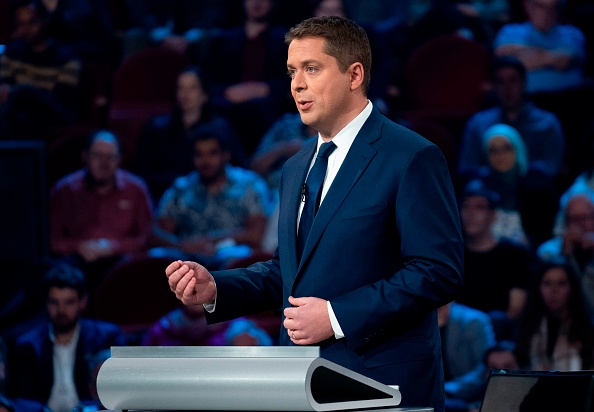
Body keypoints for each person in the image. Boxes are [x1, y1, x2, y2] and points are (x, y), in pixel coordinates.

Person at [166, 16, 464, 412]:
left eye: (311, 69)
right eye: (291, 71)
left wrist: (337, 316)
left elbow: (436, 271)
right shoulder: (295, 167)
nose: (297, 84)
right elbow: (289, 270)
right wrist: (217, 288)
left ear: (354, 74)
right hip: (302, 383)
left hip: (384, 383)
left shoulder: (410, 156)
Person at [5, 263, 127, 412]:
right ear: (46, 302)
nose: (61, 310)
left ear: (82, 302)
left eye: (69, 302)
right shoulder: (27, 345)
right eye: (54, 302)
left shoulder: (106, 337)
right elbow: (23, 399)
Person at [150, 126, 272, 270]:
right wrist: (184, 245)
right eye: (199, 155)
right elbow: (157, 233)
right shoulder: (181, 188)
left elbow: (255, 236)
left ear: (225, 155)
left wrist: (210, 241)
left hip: (231, 253)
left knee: (237, 257)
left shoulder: (249, 185)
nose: (205, 161)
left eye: (212, 153)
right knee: (158, 256)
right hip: (188, 255)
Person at [49, 129, 154, 290]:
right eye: (97, 155)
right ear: (85, 157)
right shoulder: (65, 190)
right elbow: (52, 240)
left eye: (110, 157)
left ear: (119, 159)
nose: (104, 163)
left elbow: (146, 238)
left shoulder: (136, 189)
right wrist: (79, 247)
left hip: (122, 262)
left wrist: (113, 247)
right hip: (77, 262)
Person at [134, 65, 246, 202]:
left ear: (204, 95)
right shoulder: (156, 128)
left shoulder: (220, 129)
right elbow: (143, 172)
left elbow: (237, 167)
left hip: (217, 198)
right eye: (181, 88)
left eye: (192, 88)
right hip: (167, 198)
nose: (185, 94)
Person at [199, 0, 291, 155]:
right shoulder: (222, 40)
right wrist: (228, 91)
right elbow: (206, 80)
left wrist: (267, 89)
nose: (257, 2)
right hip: (227, 105)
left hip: (269, 107)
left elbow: (294, 78)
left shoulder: (286, 41)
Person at [457, 55, 566, 179]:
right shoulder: (478, 124)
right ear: (494, 87)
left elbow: (554, 167)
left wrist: (518, 172)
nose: (507, 89)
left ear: (523, 83)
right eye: (501, 82)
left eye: (513, 80)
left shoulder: (547, 123)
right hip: (489, 192)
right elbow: (467, 168)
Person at [456, 179, 533, 340]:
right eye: (466, 206)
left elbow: (515, 310)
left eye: (479, 207)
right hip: (458, 335)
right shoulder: (453, 255)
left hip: (500, 336)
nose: (471, 214)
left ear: (493, 215)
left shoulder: (514, 255)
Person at [0, 0, 81, 140]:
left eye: (32, 22)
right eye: (21, 24)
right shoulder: (12, 53)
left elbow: (61, 104)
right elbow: (4, 88)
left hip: (52, 116)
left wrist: (26, 91)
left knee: (22, 96)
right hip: (16, 113)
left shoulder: (66, 58)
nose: (26, 29)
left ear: (44, 21)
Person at [514, 260, 594, 371]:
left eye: (561, 283)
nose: (553, 291)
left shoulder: (587, 330)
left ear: (572, 288)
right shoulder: (528, 327)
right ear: (538, 288)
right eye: (547, 283)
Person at [537, 192, 594, 314]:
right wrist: (567, 255)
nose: (581, 224)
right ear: (566, 222)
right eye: (575, 219)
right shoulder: (548, 252)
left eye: (586, 217)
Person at [438, 302, 496, 412]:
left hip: (466, 398)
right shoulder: (416, 322)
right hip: (433, 397)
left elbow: (484, 369)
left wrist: (445, 389)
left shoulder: (475, 321)